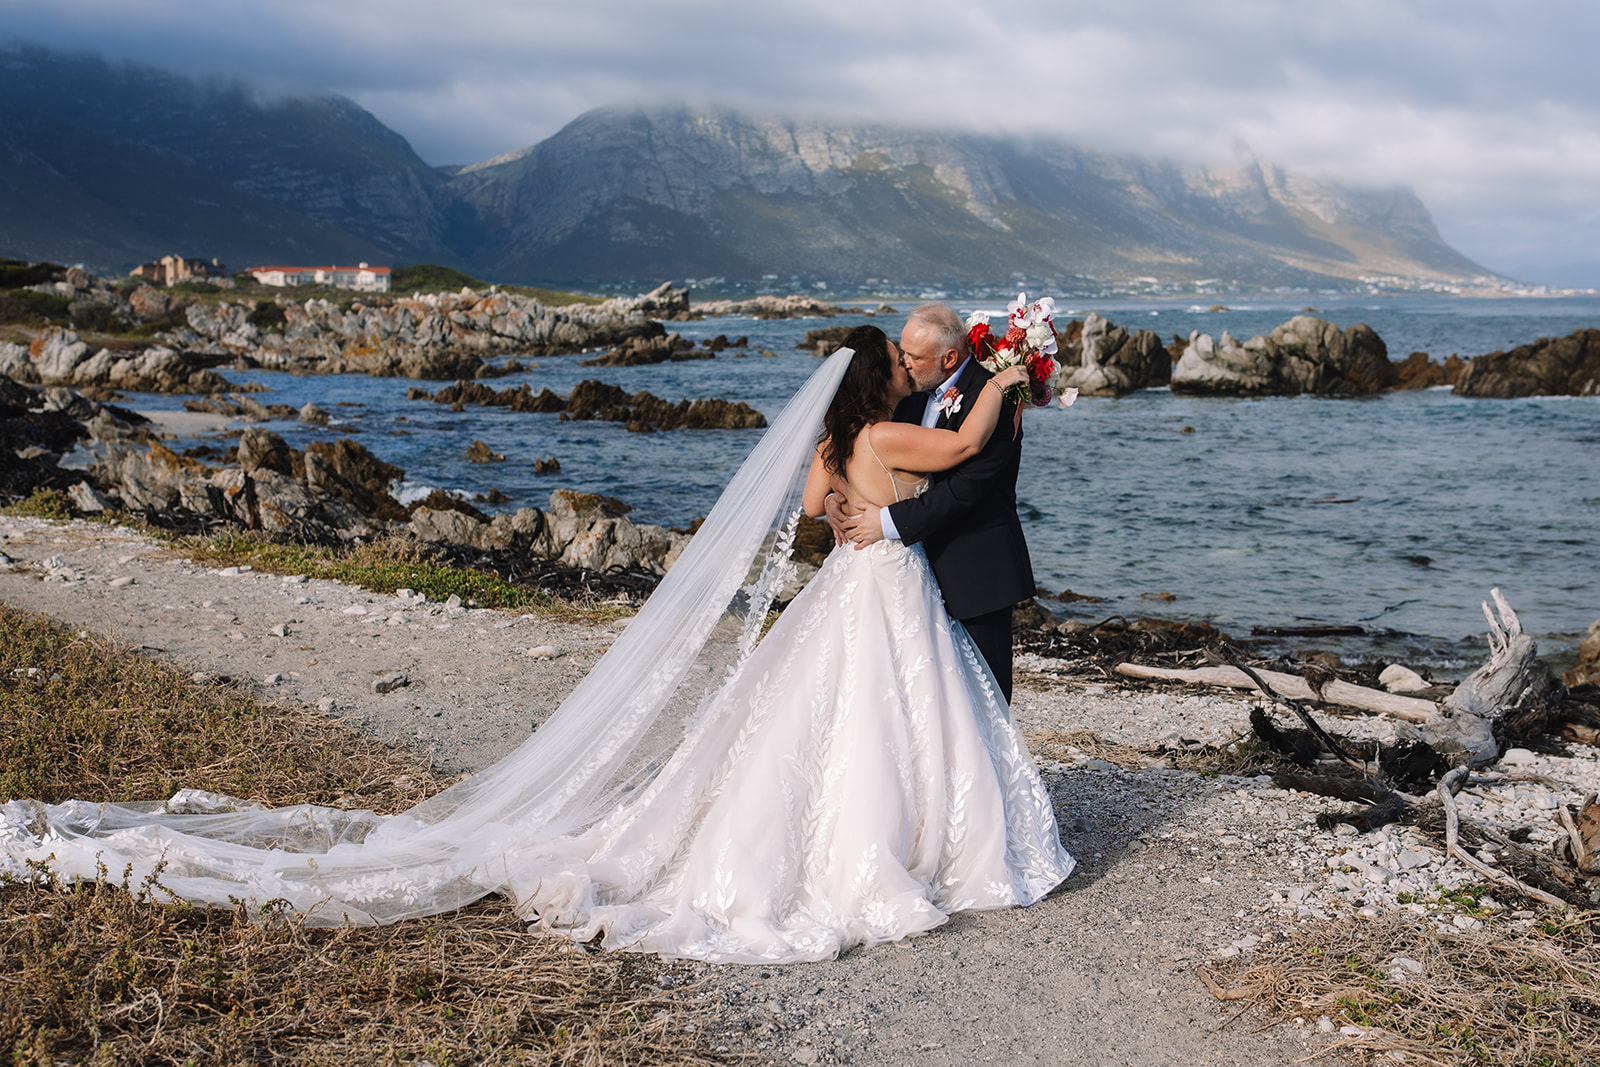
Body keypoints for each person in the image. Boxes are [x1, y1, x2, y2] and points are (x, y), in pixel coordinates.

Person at [1, 331, 1072, 965]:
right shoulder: (890, 433)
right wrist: (1007, 371)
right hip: (883, 585)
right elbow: (971, 444)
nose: (903, 369)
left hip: (847, 580)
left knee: (821, 720)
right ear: (873, 384)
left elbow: (805, 512)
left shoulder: (834, 446)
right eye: (894, 361)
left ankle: (877, 834)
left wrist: (856, 505)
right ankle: (909, 845)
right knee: (892, 717)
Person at [829, 303, 1034, 702]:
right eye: (901, 352)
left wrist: (886, 522)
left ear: (949, 358)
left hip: (974, 570)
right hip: (913, 578)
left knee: (985, 697)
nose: (903, 364)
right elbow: (864, 453)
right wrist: (836, 496)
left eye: (913, 356)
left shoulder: (997, 399)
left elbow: (964, 491)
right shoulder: (906, 395)